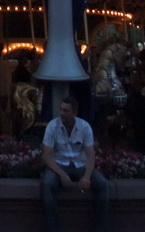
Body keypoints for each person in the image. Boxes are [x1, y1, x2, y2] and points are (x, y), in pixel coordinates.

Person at [41, 96, 110, 232]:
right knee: (47, 184)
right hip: (58, 165)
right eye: (61, 109)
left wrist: (87, 176)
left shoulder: (84, 127)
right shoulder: (52, 126)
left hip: (80, 165)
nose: (61, 113)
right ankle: (54, 228)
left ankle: (100, 228)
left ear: (75, 113)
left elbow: (90, 154)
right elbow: (46, 155)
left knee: (103, 184)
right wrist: (61, 174)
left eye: (66, 111)